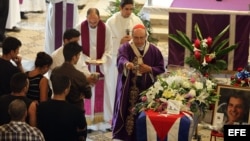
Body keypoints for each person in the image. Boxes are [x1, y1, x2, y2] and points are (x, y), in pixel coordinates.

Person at [112, 24, 165, 140]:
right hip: (129, 88)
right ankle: (126, 136)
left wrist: (150, 69)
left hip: (147, 88)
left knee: (145, 112)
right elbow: (121, 58)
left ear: (146, 36)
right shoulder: (126, 47)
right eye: (136, 38)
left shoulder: (153, 50)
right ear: (132, 36)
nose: (139, 41)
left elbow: (161, 67)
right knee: (128, 111)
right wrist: (126, 64)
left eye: (142, 37)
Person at [105, 0, 144, 124]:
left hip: (132, 59)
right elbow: (106, 41)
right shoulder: (111, 21)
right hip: (116, 59)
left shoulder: (137, 20)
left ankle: (129, 112)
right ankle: (113, 114)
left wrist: (134, 40)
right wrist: (120, 42)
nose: (129, 12)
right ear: (120, 8)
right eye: (126, 9)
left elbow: (143, 37)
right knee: (115, 87)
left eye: (131, 9)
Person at [76, 8, 112, 126]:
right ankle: (86, 117)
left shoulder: (106, 29)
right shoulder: (79, 28)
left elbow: (109, 48)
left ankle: (99, 119)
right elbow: (76, 49)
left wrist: (102, 60)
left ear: (99, 18)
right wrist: (88, 60)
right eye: (90, 21)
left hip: (100, 66)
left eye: (95, 22)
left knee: (100, 92)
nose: (92, 24)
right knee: (86, 90)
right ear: (86, 18)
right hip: (85, 66)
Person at [51, 42, 92, 134]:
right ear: (74, 57)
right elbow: (88, 94)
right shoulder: (79, 75)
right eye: (78, 55)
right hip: (75, 110)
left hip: (57, 109)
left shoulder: (55, 71)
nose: (78, 57)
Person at [37, 74, 87, 141]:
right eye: (69, 87)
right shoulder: (76, 111)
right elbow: (82, 130)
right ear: (66, 90)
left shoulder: (41, 107)